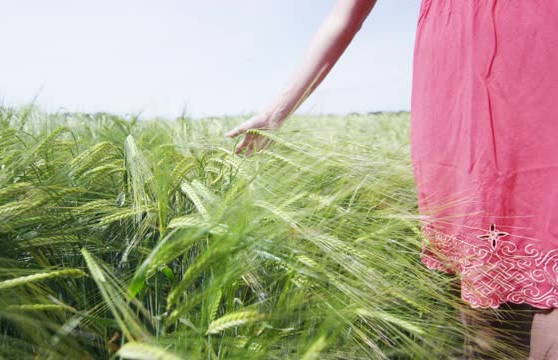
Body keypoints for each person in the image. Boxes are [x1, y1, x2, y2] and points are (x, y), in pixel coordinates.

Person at [224, 1, 558, 358]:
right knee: (477, 277)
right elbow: (346, 14)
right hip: (457, 83)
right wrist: (275, 114)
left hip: (537, 53)